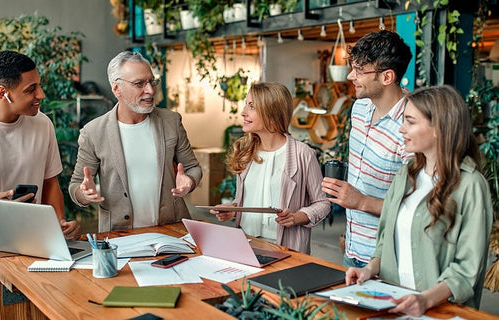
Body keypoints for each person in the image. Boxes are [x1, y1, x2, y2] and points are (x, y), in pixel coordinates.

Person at [346, 85, 493, 316]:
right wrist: (369, 269)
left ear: (439, 128)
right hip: (393, 305)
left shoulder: (471, 185)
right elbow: (385, 241)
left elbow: (468, 269)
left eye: (410, 122)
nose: (401, 129)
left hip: (440, 312)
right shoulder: (406, 174)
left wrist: (424, 300)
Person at [0, 50, 80, 320]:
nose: (40, 95)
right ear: (3, 92)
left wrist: (59, 223)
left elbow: (50, 182)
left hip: (33, 256)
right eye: (31, 89)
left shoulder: (42, 124)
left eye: (38, 85)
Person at [68, 51, 202, 232]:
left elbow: (193, 167)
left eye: (152, 81)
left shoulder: (171, 121)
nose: (150, 90)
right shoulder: (93, 132)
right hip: (119, 234)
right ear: (117, 89)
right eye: (139, 84)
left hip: (172, 229)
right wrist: (84, 194)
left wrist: (190, 182)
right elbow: (76, 184)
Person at [321, 30, 413, 268]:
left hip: (389, 259)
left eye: (360, 70)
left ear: (387, 77)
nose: (351, 76)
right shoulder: (360, 109)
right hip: (352, 249)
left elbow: (418, 210)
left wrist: (361, 201)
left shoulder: (413, 126)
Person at [211, 82, 331, 254]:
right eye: (246, 104)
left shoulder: (303, 154)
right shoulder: (245, 152)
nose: (243, 112)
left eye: (251, 106)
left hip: (285, 248)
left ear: (271, 114)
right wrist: (233, 209)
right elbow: (245, 199)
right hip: (246, 243)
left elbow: (322, 203)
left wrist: (296, 217)